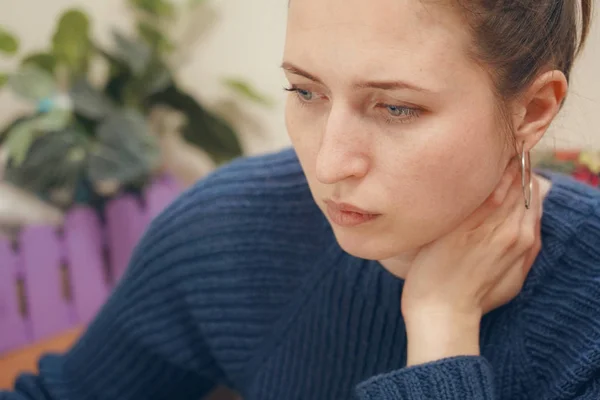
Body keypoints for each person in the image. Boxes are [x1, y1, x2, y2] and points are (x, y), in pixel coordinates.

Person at [2, 0, 599, 399]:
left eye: (396, 107)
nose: (329, 162)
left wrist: (442, 330)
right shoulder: (224, 229)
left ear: (534, 109)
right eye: (305, 91)